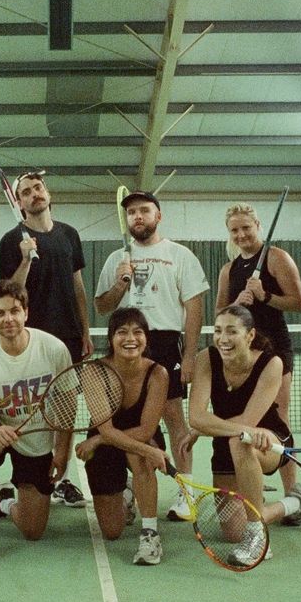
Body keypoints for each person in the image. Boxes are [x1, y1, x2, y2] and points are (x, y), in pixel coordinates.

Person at [94, 190, 209, 521]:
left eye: (144, 210)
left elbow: (194, 308)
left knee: (174, 418)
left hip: (164, 342)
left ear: (158, 216)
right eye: (131, 213)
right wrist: (120, 284)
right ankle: (129, 488)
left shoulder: (180, 255)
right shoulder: (116, 259)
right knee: (125, 417)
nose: (137, 217)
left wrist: (189, 356)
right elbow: (102, 307)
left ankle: (186, 493)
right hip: (125, 343)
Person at [187, 305, 301, 562]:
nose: (223, 339)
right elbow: (196, 417)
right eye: (218, 331)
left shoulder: (271, 363)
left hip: (270, 439)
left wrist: (206, 428)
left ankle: (257, 536)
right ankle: (296, 503)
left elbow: (247, 423)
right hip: (228, 441)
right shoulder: (205, 359)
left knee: (240, 442)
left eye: (232, 331)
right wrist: (202, 425)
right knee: (233, 532)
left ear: (250, 335)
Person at [0, 280, 73, 564]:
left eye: (14, 311)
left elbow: (67, 406)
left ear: (26, 313)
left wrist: (61, 451)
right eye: (0, 313)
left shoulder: (54, 349)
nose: (8, 319)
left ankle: (3, 502)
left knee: (33, 530)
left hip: (35, 437)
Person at [0, 170, 93, 509]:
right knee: (33, 408)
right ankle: (29, 473)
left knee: (65, 408)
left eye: (38, 188)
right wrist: (25, 259)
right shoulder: (11, 241)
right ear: (19, 202)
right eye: (26, 192)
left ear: (47, 193)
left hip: (68, 335)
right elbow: (10, 294)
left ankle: (63, 478)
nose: (34, 194)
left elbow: (78, 286)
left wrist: (85, 330)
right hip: (30, 339)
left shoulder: (69, 234)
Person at [215, 202, 301, 521]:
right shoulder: (229, 270)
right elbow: (219, 312)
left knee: (278, 418)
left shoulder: (277, 258)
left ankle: (294, 493)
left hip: (274, 349)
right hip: (242, 354)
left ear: (257, 226)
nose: (241, 235)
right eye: (235, 230)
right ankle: (251, 475)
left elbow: (299, 302)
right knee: (248, 419)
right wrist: (237, 302)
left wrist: (265, 295)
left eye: (246, 228)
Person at [74, 307, 169, 565]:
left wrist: (96, 440)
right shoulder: (94, 371)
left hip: (137, 436)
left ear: (146, 338)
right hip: (107, 442)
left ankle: (150, 534)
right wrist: (103, 438)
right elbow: (106, 429)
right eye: (122, 332)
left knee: (140, 455)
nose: (130, 339)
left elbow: (146, 431)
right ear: (111, 338)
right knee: (112, 531)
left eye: (138, 332)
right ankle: (127, 491)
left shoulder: (158, 374)